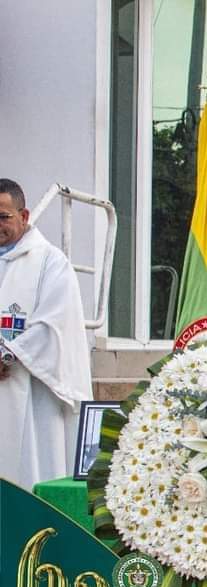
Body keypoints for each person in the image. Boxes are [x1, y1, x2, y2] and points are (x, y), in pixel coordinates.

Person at [0, 179, 93, 491]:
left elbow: (55, 325)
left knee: (26, 474)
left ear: (24, 216)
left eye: (4, 217)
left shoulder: (50, 262)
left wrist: (7, 354)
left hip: (28, 392)